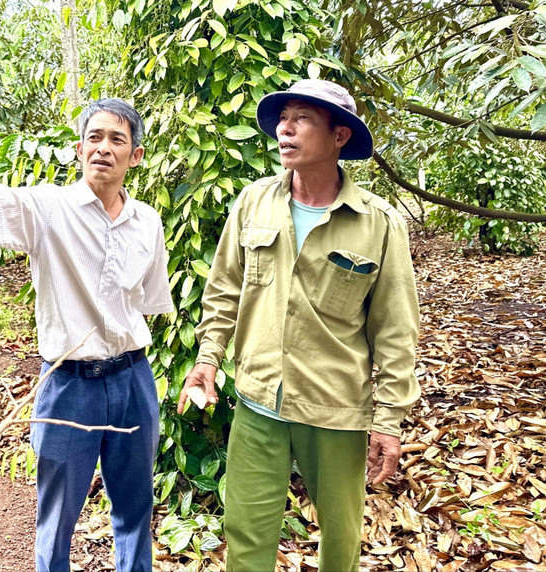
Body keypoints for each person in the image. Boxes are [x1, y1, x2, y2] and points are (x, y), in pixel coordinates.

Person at [0, 98, 174, 572]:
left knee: (134, 509)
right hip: (68, 386)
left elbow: (146, 304)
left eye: (117, 139)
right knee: (57, 516)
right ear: (78, 149)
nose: (103, 149)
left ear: (136, 156)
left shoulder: (148, 222)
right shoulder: (50, 209)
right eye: (94, 138)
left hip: (134, 380)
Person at [178, 79, 420, 571]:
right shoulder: (253, 203)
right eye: (283, 118)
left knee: (341, 536)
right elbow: (224, 288)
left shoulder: (378, 223)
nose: (285, 129)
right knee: (247, 530)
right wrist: (207, 359)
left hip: (334, 408)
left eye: (303, 119)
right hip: (258, 398)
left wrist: (389, 420)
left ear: (339, 137)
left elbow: (395, 331)